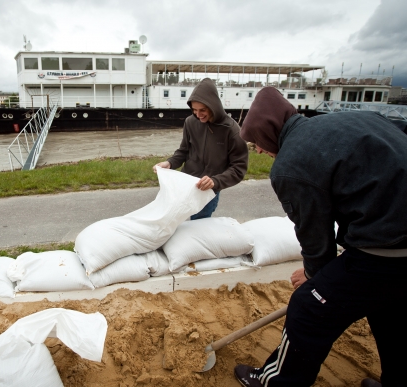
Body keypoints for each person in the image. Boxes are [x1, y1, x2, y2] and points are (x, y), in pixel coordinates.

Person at [235, 86, 407, 387]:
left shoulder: (290, 165)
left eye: (257, 143)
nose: (259, 150)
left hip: (386, 248)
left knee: (309, 307)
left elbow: (315, 234)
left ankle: (273, 382)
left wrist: (315, 276)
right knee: (391, 308)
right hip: (394, 240)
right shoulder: (346, 120)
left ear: (270, 130)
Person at [153, 78, 248, 220]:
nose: (198, 115)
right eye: (194, 110)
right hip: (185, 184)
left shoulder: (232, 130)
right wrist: (170, 163)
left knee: (198, 226)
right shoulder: (190, 122)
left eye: (203, 110)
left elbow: (238, 168)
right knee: (172, 221)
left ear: (214, 105)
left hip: (208, 190)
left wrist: (215, 181)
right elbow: (183, 151)